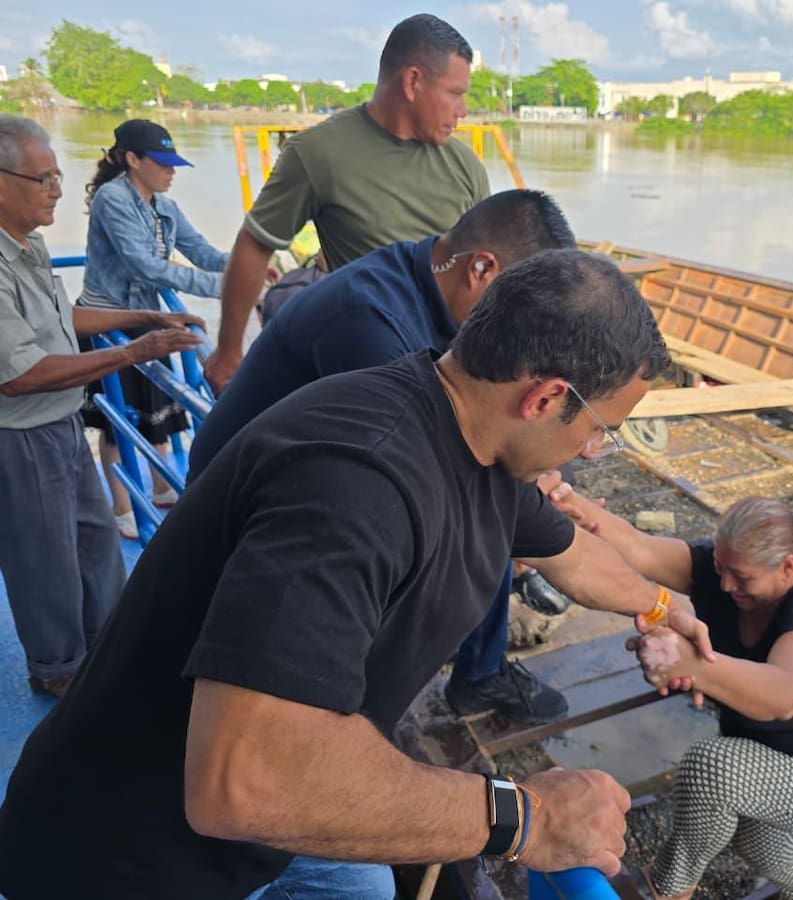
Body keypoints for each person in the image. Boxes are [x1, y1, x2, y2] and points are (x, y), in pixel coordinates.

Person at [0, 249, 713, 900]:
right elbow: (242, 782)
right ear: (547, 397)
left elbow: (576, 556)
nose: (594, 453)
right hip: (132, 859)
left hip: (266, 831)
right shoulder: (356, 481)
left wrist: (659, 609)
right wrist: (526, 817)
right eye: (599, 429)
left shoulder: (481, 445)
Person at [187, 188, 578, 730]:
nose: (524, 335)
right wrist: (538, 501)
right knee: (480, 521)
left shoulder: (425, 276)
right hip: (240, 516)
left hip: (322, 472)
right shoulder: (372, 323)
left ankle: (478, 671)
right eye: (524, 314)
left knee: (497, 504)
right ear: (482, 269)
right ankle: (363, 726)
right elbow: (453, 463)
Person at [548, 486, 793, 900]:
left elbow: (783, 695)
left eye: (741, 576)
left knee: (713, 770)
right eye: (722, 567)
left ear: (788, 567)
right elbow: (640, 547)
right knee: (753, 838)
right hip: (764, 761)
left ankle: (666, 887)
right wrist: (576, 507)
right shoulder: (723, 572)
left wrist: (689, 665)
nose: (725, 584)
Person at [0, 115, 202, 698]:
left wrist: (145, 317)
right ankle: (59, 673)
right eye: (41, 179)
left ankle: (110, 653)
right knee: (45, 566)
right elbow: (21, 376)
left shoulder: (28, 244)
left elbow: (65, 320)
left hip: (61, 421)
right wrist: (138, 352)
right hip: (22, 434)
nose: (57, 190)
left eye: (58, 176)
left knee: (95, 543)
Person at [204, 12, 489, 395]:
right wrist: (228, 351)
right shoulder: (318, 154)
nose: (463, 110)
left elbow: (493, 270)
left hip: (454, 371)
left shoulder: (465, 166)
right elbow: (256, 244)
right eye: (455, 93)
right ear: (413, 81)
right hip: (370, 366)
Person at [78, 119, 229, 538]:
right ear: (132, 159)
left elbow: (202, 251)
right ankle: (123, 508)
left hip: (147, 320)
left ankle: (162, 488)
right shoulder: (113, 199)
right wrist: (225, 288)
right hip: (109, 321)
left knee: (155, 413)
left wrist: (250, 265)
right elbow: (145, 265)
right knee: (117, 421)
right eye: (162, 163)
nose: (171, 171)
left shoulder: (165, 205)